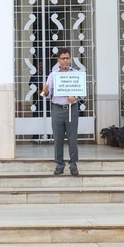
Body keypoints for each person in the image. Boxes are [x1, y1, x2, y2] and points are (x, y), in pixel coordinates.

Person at [41, 48, 80, 176]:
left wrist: (76, 97)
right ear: (58, 60)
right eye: (63, 58)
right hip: (57, 109)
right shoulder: (53, 75)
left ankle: (73, 164)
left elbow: (82, 92)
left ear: (70, 59)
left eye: (67, 58)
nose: (65, 61)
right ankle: (59, 164)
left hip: (71, 109)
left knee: (72, 137)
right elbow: (46, 93)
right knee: (58, 138)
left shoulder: (76, 74)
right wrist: (45, 91)